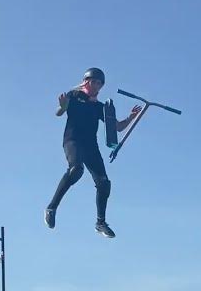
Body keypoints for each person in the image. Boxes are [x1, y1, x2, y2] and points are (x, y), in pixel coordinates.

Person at [44, 67, 141, 238]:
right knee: (76, 170)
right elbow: (59, 112)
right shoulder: (74, 95)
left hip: (91, 146)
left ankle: (100, 223)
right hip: (73, 141)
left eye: (99, 84)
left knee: (104, 183)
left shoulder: (99, 107)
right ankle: (51, 208)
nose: (96, 86)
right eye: (94, 82)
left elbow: (117, 128)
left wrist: (131, 118)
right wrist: (63, 106)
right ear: (86, 81)